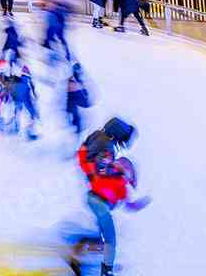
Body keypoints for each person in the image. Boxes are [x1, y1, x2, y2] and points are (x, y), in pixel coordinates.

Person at [70, 117, 148, 276]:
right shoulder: (108, 148)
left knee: (102, 240)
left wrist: (137, 203)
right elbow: (101, 168)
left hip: (94, 197)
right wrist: (116, 170)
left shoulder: (97, 136)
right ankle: (106, 271)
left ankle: (78, 252)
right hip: (99, 202)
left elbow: (86, 154)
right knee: (110, 241)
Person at [65, 62, 91, 138]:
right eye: (79, 70)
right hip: (72, 102)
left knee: (75, 116)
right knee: (75, 115)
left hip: (73, 102)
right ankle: (77, 132)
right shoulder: (72, 81)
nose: (80, 72)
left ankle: (77, 130)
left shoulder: (75, 79)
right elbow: (84, 101)